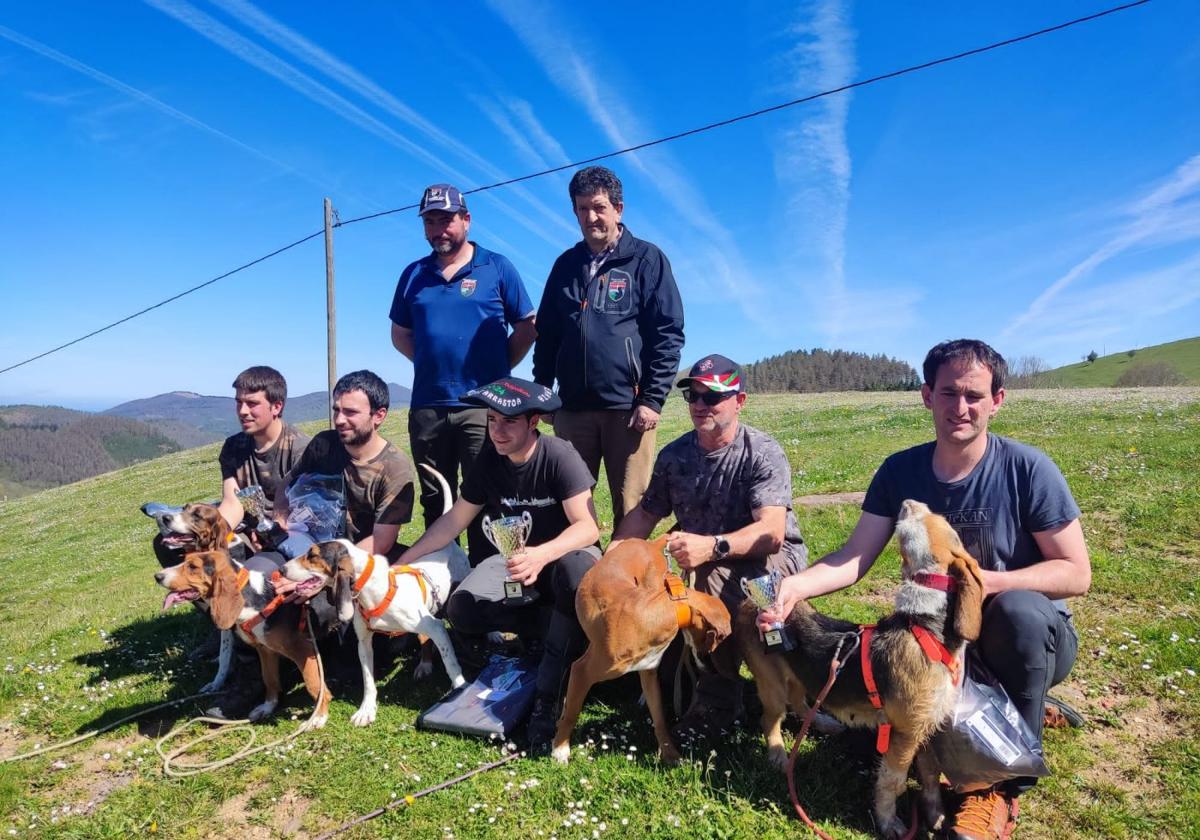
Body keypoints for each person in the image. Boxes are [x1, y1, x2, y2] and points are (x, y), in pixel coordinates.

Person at [761, 339, 1091, 840]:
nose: (961, 407)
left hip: (1018, 639)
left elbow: (1075, 572)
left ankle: (994, 790)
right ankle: (1006, 706)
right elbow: (854, 557)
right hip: (933, 649)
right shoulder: (900, 471)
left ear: (997, 400)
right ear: (926, 396)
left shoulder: (1029, 469)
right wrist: (793, 588)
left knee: (1018, 613)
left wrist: (979, 585)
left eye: (975, 396)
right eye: (949, 392)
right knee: (865, 735)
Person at [397, 377, 600, 755]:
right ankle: (548, 638)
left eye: (508, 422)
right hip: (517, 570)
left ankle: (548, 696)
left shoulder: (558, 454)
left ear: (533, 421)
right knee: (462, 608)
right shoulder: (489, 460)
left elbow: (588, 528)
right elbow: (453, 521)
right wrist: (403, 562)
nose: (497, 431)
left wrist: (542, 554)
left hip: (561, 563)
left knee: (576, 574)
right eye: (491, 420)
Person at [611, 353, 807, 739]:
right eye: (693, 396)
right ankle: (665, 672)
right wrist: (614, 554)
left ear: (740, 401)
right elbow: (646, 515)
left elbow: (772, 532)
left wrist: (712, 547)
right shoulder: (675, 455)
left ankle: (720, 699)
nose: (700, 405)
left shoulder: (762, 452)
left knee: (708, 579)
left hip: (769, 560)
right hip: (701, 556)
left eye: (712, 396)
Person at [390, 183, 536, 563]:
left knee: (485, 492)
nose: (439, 229)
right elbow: (400, 334)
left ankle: (486, 581)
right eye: (430, 221)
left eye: (446, 220)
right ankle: (442, 581)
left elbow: (526, 327)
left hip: (482, 408)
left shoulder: (497, 267)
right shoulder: (413, 274)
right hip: (428, 406)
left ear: (466, 220)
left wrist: (500, 371)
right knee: (436, 496)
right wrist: (430, 364)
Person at [532, 166, 684, 531]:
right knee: (568, 505)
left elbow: (668, 332)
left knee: (632, 507)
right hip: (572, 409)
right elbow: (548, 333)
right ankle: (576, 580)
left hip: (628, 410)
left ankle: (628, 585)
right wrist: (543, 393)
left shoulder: (647, 260)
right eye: (582, 209)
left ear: (618, 208)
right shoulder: (565, 266)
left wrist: (651, 399)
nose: (590, 217)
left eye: (598, 207)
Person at [150, 364, 310, 568]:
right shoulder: (233, 447)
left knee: (254, 573)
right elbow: (232, 504)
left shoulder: (301, 450)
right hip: (246, 531)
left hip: (290, 538)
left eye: (252, 404)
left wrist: (272, 535)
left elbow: (307, 515)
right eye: (239, 402)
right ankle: (212, 599)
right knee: (169, 545)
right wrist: (206, 536)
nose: (243, 411)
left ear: (276, 407)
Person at [273, 369, 415, 565]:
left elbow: (381, 541)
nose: (339, 420)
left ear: (379, 415)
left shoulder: (395, 468)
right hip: (307, 545)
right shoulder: (323, 444)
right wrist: (280, 519)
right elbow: (289, 480)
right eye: (337, 410)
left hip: (357, 559)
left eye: (351, 412)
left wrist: (326, 568)